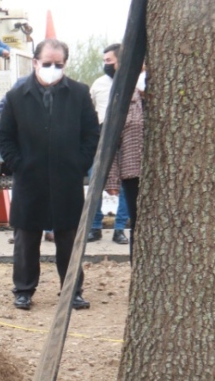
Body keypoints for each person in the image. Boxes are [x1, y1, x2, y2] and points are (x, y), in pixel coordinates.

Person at [0, 38, 100, 311]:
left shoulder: (78, 93)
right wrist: (20, 164)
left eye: (58, 64)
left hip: (67, 180)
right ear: (34, 62)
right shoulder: (16, 97)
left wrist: (79, 163)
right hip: (29, 180)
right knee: (26, 239)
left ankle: (72, 290)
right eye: (47, 63)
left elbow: (91, 134)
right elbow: (4, 137)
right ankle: (23, 290)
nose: (52, 68)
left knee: (68, 238)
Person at [87, 43, 129, 245]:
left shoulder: (135, 82)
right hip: (103, 136)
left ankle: (119, 228)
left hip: (128, 136)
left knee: (127, 183)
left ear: (120, 61)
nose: (106, 64)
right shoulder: (98, 84)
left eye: (109, 61)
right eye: (104, 61)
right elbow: (91, 110)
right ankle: (95, 226)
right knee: (96, 180)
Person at [106, 79, 143, 260]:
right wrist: (112, 179)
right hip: (133, 174)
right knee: (138, 224)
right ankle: (137, 268)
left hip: (167, 176)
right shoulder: (125, 100)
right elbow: (111, 144)